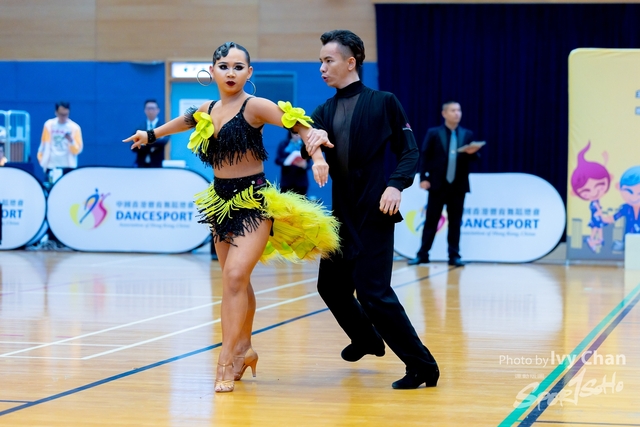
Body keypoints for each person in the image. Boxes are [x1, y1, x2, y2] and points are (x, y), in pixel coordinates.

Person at [124, 42, 339, 393]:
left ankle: (224, 359)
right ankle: (243, 349)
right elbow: (185, 119)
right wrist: (151, 134)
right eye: (223, 66)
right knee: (234, 282)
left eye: (238, 67)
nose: (230, 72)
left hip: (253, 201)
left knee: (236, 276)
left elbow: (298, 124)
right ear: (212, 71)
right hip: (220, 202)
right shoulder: (208, 109)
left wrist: (317, 157)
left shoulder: (255, 106)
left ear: (248, 73)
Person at [303, 29, 439, 389]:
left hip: (375, 211)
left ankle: (423, 367)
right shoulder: (324, 110)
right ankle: (366, 338)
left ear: (351, 62)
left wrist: (396, 184)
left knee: (373, 293)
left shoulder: (384, 102)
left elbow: (409, 151)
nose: (322, 68)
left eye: (328, 60)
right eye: (320, 61)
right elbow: (308, 140)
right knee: (331, 287)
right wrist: (313, 146)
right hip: (340, 215)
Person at [408, 101, 483, 267]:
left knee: (455, 222)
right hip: (437, 185)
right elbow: (425, 156)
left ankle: (454, 256)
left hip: (458, 186)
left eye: (459, 110)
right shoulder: (434, 133)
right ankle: (422, 254)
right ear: (444, 114)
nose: (457, 113)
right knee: (431, 221)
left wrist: (472, 153)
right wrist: (423, 178)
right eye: (453, 110)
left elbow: (475, 159)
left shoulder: (467, 134)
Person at [37, 101, 83, 183]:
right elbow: (43, 146)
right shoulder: (48, 125)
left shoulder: (75, 128)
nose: (63, 117)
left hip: (68, 166)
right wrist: (42, 160)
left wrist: (71, 141)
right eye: (61, 114)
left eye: (66, 114)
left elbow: (78, 150)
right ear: (56, 113)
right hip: (51, 166)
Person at [133, 99, 170, 167]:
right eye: (148, 108)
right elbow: (134, 146)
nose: (150, 111)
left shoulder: (163, 127)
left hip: (157, 164)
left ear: (158, 110)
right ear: (145, 110)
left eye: (153, 108)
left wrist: (144, 141)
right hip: (141, 164)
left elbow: (164, 141)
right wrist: (154, 142)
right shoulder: (140, 128)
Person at [274, 129, 310, 195]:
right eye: (294, 133)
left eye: (298, 133)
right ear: (290, 133)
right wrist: (287, 161)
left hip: (301, 182)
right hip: (286, 181)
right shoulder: (283, 144)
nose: (296, 135)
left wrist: (305, 165)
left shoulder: (305, 145)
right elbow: (277, 160)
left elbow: (310, 163)